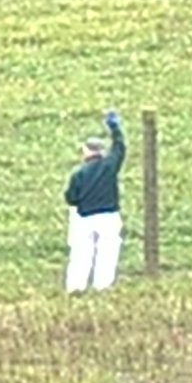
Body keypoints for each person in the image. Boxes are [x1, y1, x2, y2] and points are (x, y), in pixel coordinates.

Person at [65, 109, 126, 292]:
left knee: (81, 254)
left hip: (85, 218)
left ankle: (76, 287)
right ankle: (103, 286)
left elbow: (71, 198)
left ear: (86, 151)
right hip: (108, 215)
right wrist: (114, 128)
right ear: (101, 151)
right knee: (107, 252)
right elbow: (120, 147)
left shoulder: (79, 174)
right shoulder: (109, 166)